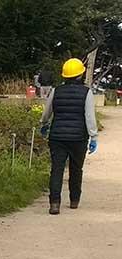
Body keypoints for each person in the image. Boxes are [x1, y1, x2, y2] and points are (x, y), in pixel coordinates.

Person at [40, 58, 98, 214]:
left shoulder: (56, 90)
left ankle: (54, 204)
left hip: (57, 136)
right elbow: (89, 116)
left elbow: (47, 112)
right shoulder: (87, 92)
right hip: (79, 137)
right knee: (76, 169)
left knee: (57, 169)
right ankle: (74, 200)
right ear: (81, 75)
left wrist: (44, 124)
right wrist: (93, 136)